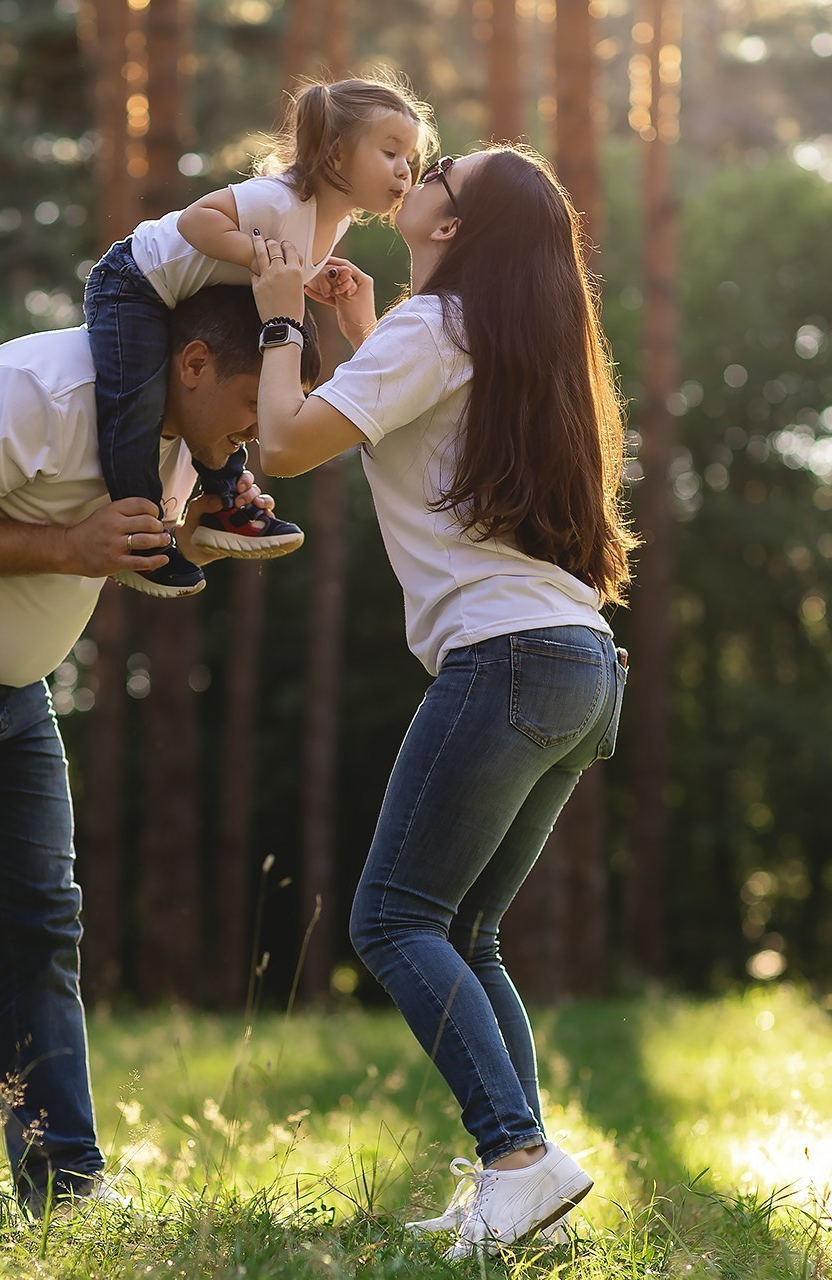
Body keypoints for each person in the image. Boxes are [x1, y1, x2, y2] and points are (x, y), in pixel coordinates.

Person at [0, 286, 318, 1236]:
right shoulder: (42, 384)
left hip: (10, 684)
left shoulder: (178, 441)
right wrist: (73, 545)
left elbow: (112, 549)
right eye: (251, 403)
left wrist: (188, 536)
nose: (257, 430)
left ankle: (62, 1186)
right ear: (193, 363)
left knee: (40, 926)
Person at [247, 145, 638, 1257]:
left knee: (390, 918)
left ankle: (518, 1154)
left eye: (437, 173)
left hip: (503, 659)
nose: (413, 173)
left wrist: (282, 323)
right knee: (468, 931)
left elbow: (282, 442)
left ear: (452, 226)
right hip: (575, 662)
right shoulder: (488, 337)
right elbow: (422, 449)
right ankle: (518, 1185)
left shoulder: (439, 330)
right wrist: (355, 331)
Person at [83, 73, 436, 596]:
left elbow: (288, 253)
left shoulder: (331, 221)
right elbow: (196, 222)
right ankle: (143, 543)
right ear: (336, 154)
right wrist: (256, 254)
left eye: (409, 157)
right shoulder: (279, 198)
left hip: (193, 303)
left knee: (237, 397)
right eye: (389, 152)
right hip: (134, 282)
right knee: (136, 401)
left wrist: (310, 274)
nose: (405, 169)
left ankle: (225, 503)